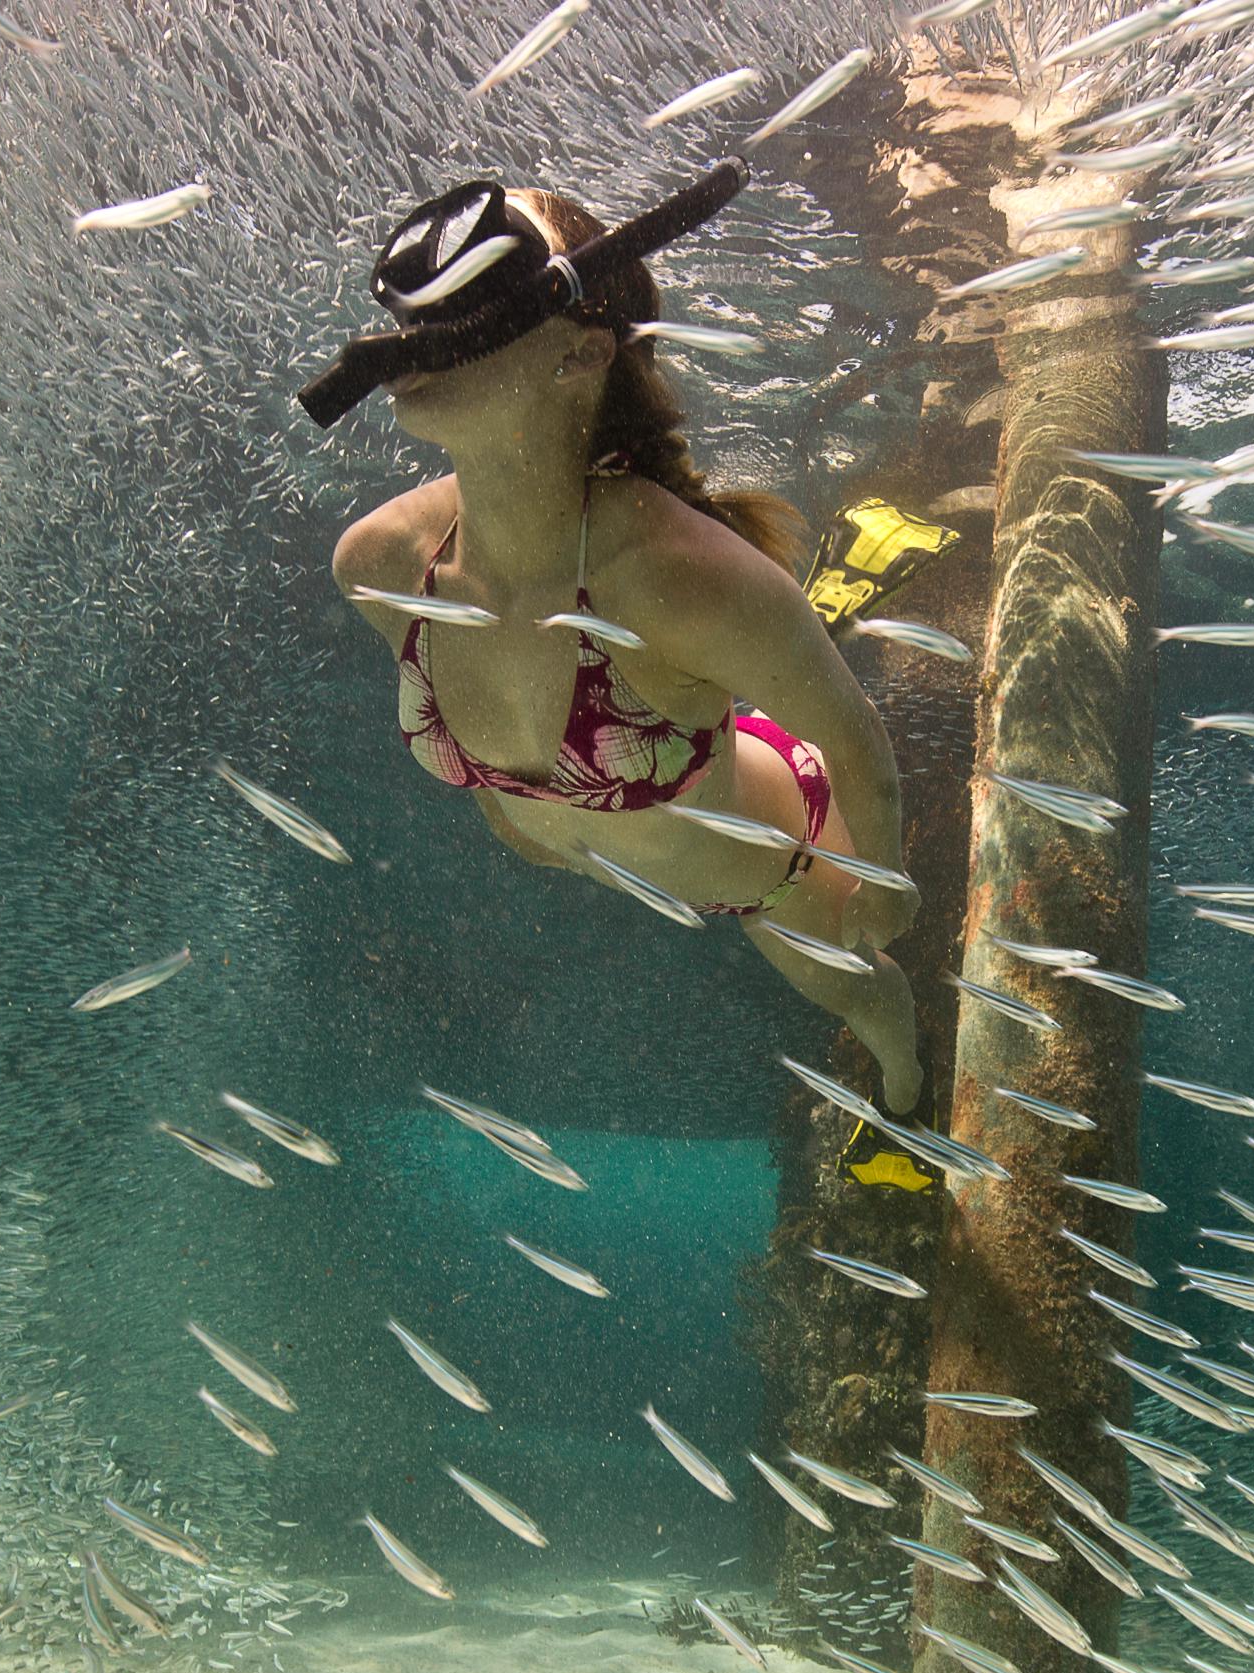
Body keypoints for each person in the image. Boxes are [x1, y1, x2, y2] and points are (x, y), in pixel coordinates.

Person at [326, 180, 926, 1115]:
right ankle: (778, 648)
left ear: (581, 352)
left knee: (858, 989)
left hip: (764, 861)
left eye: (477, 294)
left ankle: (909, 1095)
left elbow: (858, 750)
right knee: (726, 660)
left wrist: (886, 891)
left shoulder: (679, 576)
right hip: (629, 816)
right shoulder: (381, 564)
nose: (416, 336)